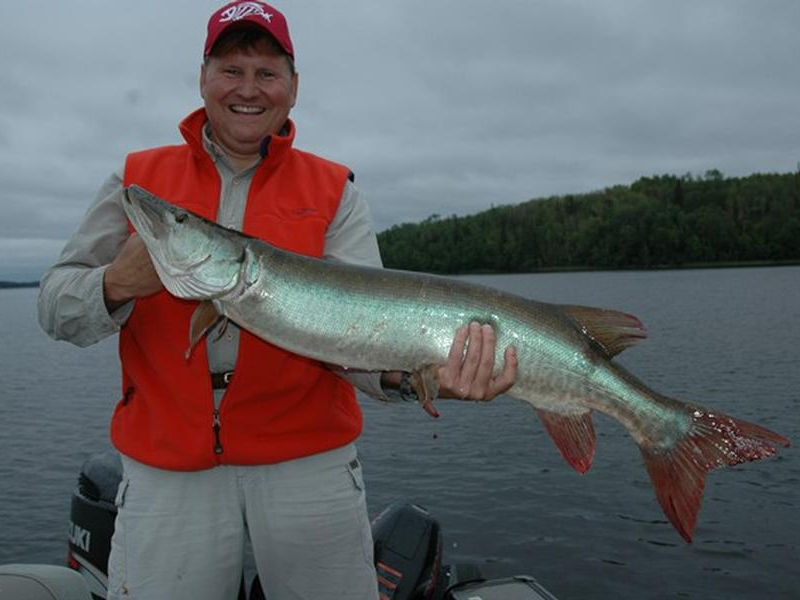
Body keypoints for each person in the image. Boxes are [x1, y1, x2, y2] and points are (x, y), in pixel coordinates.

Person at [38, 2, 518, 599]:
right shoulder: (137, 182)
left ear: (293, 89)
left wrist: (416, 376)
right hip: (166, 463)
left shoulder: (333, 189)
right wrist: (116, 283)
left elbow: (364, 342)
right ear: (203, 77)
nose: (248, 89)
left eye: (267, 73)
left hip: (307, 463)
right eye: (231, 69)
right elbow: (54, 305)